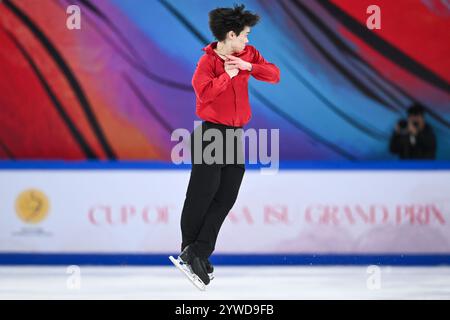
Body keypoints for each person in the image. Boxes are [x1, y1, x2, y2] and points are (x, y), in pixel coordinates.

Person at [171, 4, 280, 288]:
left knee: (227, 195)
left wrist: (249, 67)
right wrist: (227, 77)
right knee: (201, 194)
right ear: (231, 34)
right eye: (244, 35)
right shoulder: (207, 62)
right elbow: (203, 94)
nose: (247, 40)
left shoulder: (249, 55)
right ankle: (189, 249)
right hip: (211, 134)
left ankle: (198, 250)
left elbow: (274, 74)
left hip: (234, 135)